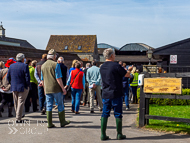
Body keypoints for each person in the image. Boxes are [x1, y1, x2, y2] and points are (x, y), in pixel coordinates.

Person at [100, 48, 132, 140]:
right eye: (114, 54)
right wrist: (129, 70)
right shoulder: (116, 66)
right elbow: (127, 75)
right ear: (112, 55)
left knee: (105, 113)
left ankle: (103, 134)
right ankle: (119, 134)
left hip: (105, 93)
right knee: (118, 114)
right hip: (116, 92)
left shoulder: (102, 67)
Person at [41, 49, 70, 128]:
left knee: (49, 105)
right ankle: (62, 121)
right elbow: (58, 78)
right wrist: (63, 89)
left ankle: (49, 123)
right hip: (56, 88)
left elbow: (42, 79)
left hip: (47, 88)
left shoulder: (43, 66)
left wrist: (44, 89)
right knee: (60, 104)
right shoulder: (56, 64)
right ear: (54, 56)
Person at [7, 53, 30, 123]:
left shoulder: (11, 66)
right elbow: (27, 77)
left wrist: (11, 83)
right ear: (23, 59)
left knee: (16, 102)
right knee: (20, 102)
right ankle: (18, 118)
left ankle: (18, 116)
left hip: (14, 86)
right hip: (23, 86)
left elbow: (8, 77)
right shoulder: (25, 66)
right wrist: (27, 85)